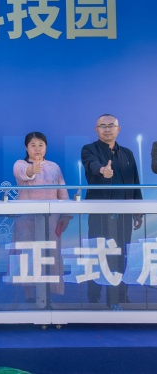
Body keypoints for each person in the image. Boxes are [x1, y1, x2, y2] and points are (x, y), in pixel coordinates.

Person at [81, 114, 142, 308]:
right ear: (96, 129)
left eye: (111, 126)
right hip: (100, 212)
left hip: (123, 213)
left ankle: (120, 295)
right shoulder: (89, 149)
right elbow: (91, 165)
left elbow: (135, 182)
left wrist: (138, 211)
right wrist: (102, 170)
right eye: (103, 126)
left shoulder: (127, 153)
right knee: (98, 252)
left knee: (121, 253)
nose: (107, 129)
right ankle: (94, 296)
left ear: (118, 129)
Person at [12, 132, 71, 304]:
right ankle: (29, 294)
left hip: (51, 220)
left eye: (41, 145)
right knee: (28, 254)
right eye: (33, 145)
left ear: (46, 147)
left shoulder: (54, 167)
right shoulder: (20, 164)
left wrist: (66, 215)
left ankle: (47, 293)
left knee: (49, 254)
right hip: (26, 220)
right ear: (26, 147)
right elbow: (23, 173)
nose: (37, 149)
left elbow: (62, 191)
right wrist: (32, 170)